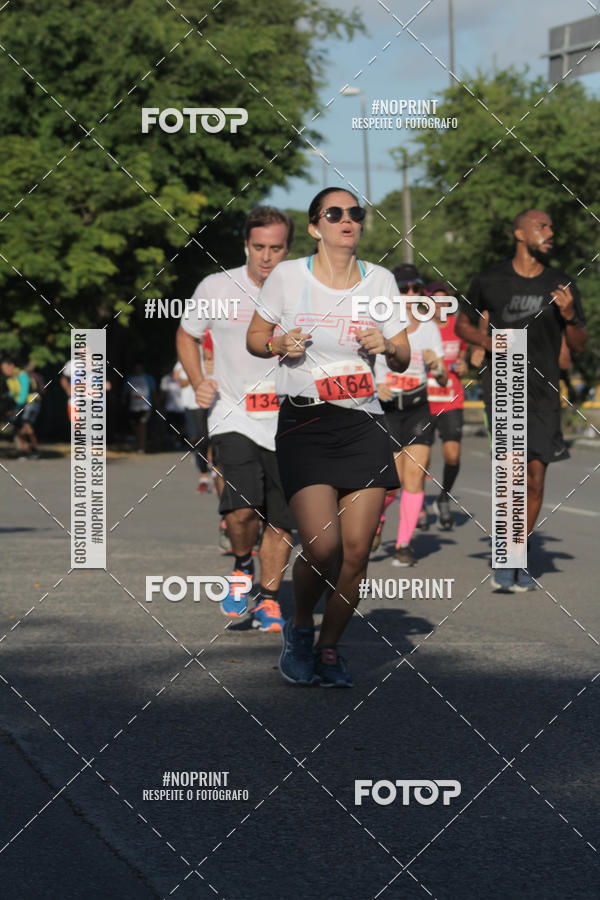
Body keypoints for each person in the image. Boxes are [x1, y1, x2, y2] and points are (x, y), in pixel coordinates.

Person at [246, 187, 410, 687]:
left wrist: (387, 344)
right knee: (323, 548)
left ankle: (330, 649)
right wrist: (277, 342)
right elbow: (256, 338)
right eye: (334, 214)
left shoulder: (379, 279)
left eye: (355, 214)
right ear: (315, 226)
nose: (347, 221)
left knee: (357, 551)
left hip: (362, 423)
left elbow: (402, 354)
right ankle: (299, 628)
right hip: (306, 424)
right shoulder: (288, 277)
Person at [176, 206, 295, 631]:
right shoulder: (216, 287)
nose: (266, 257)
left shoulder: (306, 290)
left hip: (291, 420)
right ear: (246, 245)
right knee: (242, 510)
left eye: (275, 248)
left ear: (288, 249)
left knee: (283, 519)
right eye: (258, 247)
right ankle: (243, 566)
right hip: (234, 414)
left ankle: (269, 599)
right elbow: (187, 333)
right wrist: (198, 380)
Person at [456, 209, 587, 592]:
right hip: (505, 385)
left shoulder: (560, 283)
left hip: (546, 391)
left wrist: (569, 315)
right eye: (542, 226)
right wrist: (487, 341)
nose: (550, 232)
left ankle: (516, 548)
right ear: (519, 233)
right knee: (512, 476)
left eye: (551, 226)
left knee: (536, 476)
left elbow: (578, 344)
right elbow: (463, 322)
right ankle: (508, 557)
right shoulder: (490, 279)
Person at [374, 265, 448, 567]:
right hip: (388, 411)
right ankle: (377, 518)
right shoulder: (378, 325)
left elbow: (442, 378)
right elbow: (361, 366)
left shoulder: (429, 328)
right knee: (391, 484)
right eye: (403, 289)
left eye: (416, 289)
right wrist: (377, 385)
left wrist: (439, 368)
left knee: (414, 479)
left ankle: (403, 544)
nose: (410, 295)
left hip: (418, 408)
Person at [424, 280, 468, 530]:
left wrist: (463, 364)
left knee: (453, 456)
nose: (440, 305)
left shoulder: (457, 327)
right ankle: (418, 504)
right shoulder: (420, 328)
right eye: (435, 300)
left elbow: (462, 356)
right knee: (422, 459)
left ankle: (443, 497)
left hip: (452, 399)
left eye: (444, 300)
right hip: (424, 401)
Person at [1, 357, 41, 458]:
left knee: (26, 423)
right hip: (21, 404)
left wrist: (17, 408)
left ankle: (35, 449)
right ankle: (26, 450)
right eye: (2, 369)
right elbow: (13, 393)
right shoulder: (10, 379)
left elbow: (23, 393)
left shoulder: (22, 375)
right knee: (17, 427)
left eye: (5, 368)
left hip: (31, 402)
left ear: (12, 366)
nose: (4, 371)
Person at [124, 363, 157, 453]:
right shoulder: (130, 378)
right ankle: (138, 444)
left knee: (142, 425)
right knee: (135, 426)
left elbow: (153, 391)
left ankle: (141, 447)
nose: (138, 370)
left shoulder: (148, 378)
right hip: (133, 407)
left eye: (139, 368)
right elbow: (125, 391)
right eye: (136, 368)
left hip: (145, 406)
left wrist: (156, 404)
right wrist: (123, 400)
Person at [160, 363, 186, 448]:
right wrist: (159, 404)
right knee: (170, 426)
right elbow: (163, 393)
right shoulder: (166, 379)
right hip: (170, 407)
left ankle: (178, 441)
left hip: (182, 407)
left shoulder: (184, 379)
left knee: (180, 426)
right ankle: (171, 441)